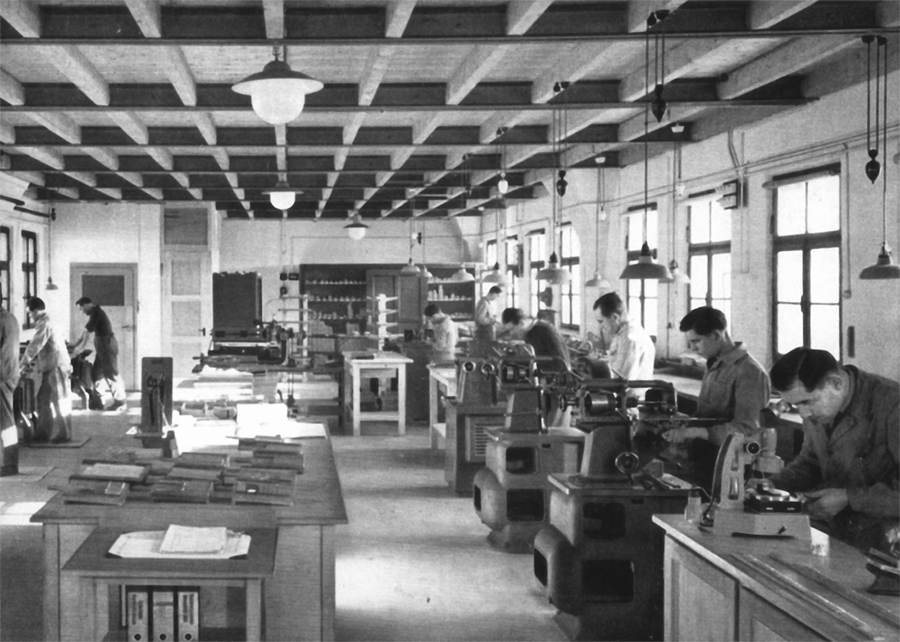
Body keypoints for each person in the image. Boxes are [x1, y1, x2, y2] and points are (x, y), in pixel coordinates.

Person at [763, 347, 899, 551]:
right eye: (795, 406)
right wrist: (772, 486)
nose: (804, 414)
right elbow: (811, 463)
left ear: (835, 382)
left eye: (807, 402)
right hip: (842, 536)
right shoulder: (818, 411)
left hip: (889, 546)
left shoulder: (893, 406)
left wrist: (850, 498)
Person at [663, 306, 771, 446]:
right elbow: (707, 415)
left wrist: (694, 432)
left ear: (716, 335)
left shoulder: (750, 372)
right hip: (706, 449)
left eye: (696, 341)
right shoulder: (714, 363)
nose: (693, 348)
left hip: (730, 456)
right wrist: (687, 423)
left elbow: (747, 429)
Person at [19, 297, 73, 443]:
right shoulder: (48, 320)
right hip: (51, 366)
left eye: (30, 313)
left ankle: (65, 434)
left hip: (56, 365)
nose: (31, 317)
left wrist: (21, 365)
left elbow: (35, 345)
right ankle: (43, 433)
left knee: (59, 400)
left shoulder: (45, 323)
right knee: (43, 399)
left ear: (36, 311)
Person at [70, 296, 126, 410]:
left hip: (107, 346)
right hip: (102, 347)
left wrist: (79, 349)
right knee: (96, 373)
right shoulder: (94, 313)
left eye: (81, 309)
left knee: (111, 373)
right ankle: (98, 401)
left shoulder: (97, 313)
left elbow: (87, 334)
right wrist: (74, 345)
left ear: (87, 305)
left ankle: (120, 401)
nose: (82, 312)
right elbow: (85, 332)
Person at [593, 292, 655, 381]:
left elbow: (620, 381)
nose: (600, 327)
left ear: (615, 317)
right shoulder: (622, 333)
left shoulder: (629, 338)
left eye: (601, 321)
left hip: (629, 390)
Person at [501, 307, 570, 369]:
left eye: (512, 329)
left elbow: (536, 361)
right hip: (558, 368)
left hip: (555, 373)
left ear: (521, 323)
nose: (511, 333)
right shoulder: (539, 326)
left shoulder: (537, 332)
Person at [1, 303, 20, 475]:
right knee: (6, 419)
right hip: (9, 373)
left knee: (6, 421)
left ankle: (10, 464)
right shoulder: (10, 318)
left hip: (2, 375)